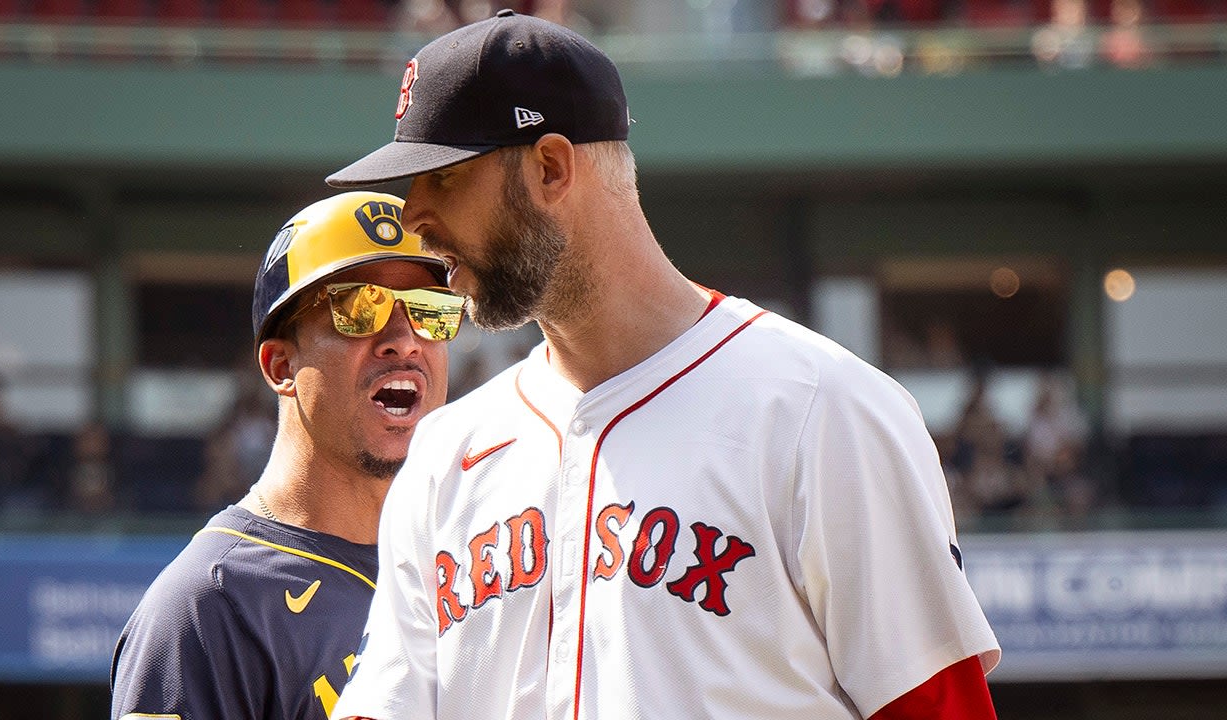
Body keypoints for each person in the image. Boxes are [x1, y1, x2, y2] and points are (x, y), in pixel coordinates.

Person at [329, 11, 1000, 720]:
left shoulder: (822, 411)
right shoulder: (443, 452)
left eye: (443, 180)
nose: (414, 216)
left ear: (551, 168)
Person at [110, 191, 464, 720]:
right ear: (280, 366)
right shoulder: (205, 607)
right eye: (359, 309)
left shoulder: (473, 565)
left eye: (430, 311)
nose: (404, 340)